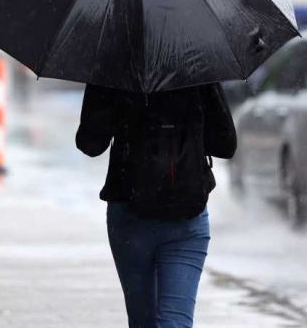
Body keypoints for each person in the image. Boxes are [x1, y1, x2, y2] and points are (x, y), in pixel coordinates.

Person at [76, 82, 236, 328]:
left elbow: (90, 144)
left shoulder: (112, 64)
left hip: (130, 214)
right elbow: (225, 143)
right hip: (187, 214)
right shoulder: (197, 62)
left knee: (143, 322)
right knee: (176, 323)